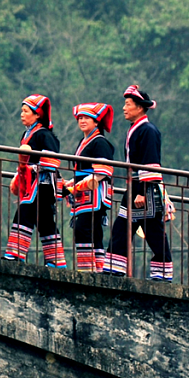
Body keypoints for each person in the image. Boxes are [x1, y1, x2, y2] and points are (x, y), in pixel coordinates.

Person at [106, 85, 173, 281]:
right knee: (124, 228)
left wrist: (142, 192)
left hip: (145, 188)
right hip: (135, 187)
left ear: (140, 107)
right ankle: (114, 269)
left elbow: (150, 162)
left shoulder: (148, 131)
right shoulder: (136, 129)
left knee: (152, 231)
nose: (124, 108)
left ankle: (161, 274)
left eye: (128, 104)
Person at [4, 94, 65, 267]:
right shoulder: (27, 134)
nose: (22, 114)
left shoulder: (44, 134)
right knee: (45, 222)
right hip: (32, 184)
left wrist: (30, 169)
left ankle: (15, 255)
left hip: (43, 184)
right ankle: (56, 262)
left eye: (26, 111)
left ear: (37, 114)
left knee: (24, 213)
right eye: (22, 111)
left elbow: (52, 162)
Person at [61, 103, 116, 273]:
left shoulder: (100, 142)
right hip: (83, 193)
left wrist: (80, 184)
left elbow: (103, 171)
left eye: (87, 118)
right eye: (80, 118)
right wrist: (72, 183)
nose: (83, 121)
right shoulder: (84, 141)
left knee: (83, 229)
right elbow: (82, 170)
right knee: (93, 231)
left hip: (95, 193)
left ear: (96, 121)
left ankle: (87, 270)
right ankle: (98, 269)